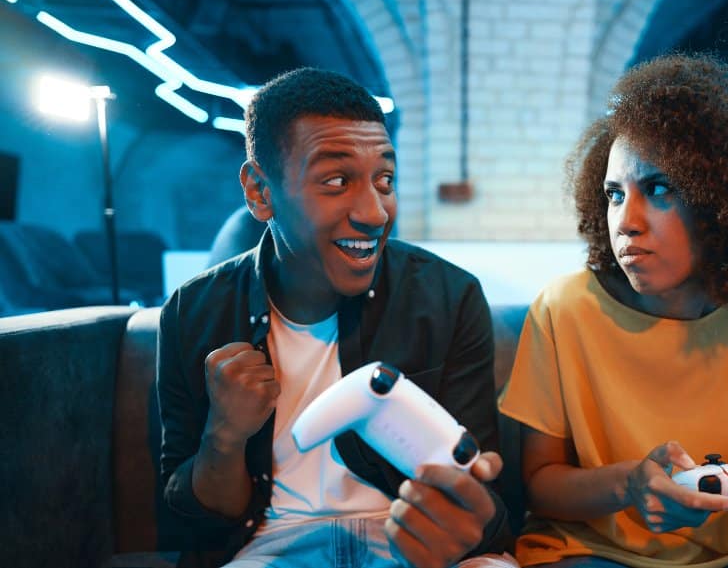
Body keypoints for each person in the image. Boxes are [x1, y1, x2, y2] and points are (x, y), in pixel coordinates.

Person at [157, 68, 515, 568]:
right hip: (267, 547)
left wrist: (470, 522)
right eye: (337, 180)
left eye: (385, 179)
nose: (375, 212)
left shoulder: (447, 296)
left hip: (407, 544)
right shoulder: (195, 311)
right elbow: (187, 521)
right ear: (260, 192)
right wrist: (224, 433)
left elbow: (490, 502)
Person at [499, 53, 728, 568]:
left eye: (658, 189)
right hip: (590, 551)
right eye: (613, 194)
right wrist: (629, 486)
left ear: (724, 202)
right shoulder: (563, 309)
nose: (625, 222)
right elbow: (540, 489)